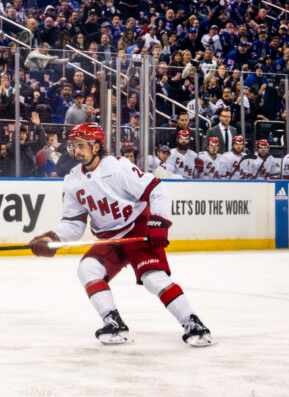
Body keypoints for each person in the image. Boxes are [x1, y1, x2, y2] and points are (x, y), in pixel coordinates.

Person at [28, 122, 212, 348]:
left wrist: (159, 221)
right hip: (111, 240)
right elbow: (73, 224)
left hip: (138, 228)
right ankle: (113, 322)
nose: (76, 150)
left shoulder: (117, 167)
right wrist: (52, 239)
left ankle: (193, 324)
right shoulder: (72, 180)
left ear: (96, 146)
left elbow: (157, 189)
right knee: (87, 269)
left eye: (81, 145)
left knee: (153, 278)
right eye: (74, 145)